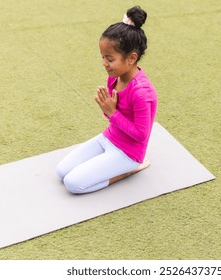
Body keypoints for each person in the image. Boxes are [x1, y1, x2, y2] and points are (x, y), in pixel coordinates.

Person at [56, 6, 157, 194]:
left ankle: (131, 169)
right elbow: (111, 116)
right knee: (61, 171)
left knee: (73, 184)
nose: (104, 63)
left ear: (131, 58)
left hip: (129, 153)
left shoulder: (142, 93)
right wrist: (109, 110)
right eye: (103, 57)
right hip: (109, 138)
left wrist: (112, 113)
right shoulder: (114, 77)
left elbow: (141, 135)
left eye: (109, 59)